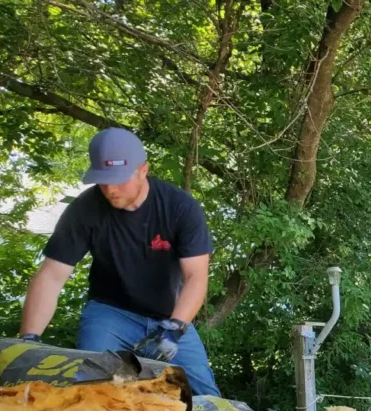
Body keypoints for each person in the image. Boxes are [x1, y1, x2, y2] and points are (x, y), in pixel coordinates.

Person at [19, 127, 221, 396]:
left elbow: (196, 276)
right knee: (90, 389)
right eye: (103, 180)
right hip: (110, 313)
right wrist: (29, 340)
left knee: (207, 398)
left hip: (170, 317)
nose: (110, 189)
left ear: (143, 170)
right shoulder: (84, 209)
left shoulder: (180, 207)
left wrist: (176, 326)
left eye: (118, 179)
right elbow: (52, 276)